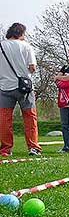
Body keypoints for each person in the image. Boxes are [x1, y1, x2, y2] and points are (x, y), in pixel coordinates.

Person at [0, 22, 42, 157]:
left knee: (4, 119)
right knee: (30, 117)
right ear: (21, 33)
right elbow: (32, 68)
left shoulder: (1, 45)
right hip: (24, 87)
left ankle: (6, 149)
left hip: (5, 86)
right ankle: (33, 147)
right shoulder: (26, 46)